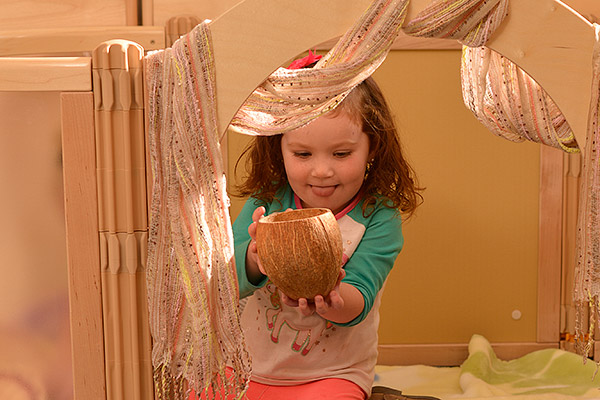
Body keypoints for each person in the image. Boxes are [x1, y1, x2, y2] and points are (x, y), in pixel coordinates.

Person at [232, 73, 422, 400]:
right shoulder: (266, 202)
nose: (321, 171)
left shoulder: (378, 215)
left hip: (333, 376)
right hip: (244, 368)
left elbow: (358, 299)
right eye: (303, 155)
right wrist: (253, 256)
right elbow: (227, 282)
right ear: (279, 147)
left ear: (372, 147)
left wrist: (330, 295)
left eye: (341, 154)